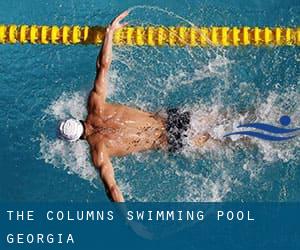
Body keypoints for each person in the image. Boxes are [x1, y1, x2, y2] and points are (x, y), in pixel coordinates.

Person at [58, 11, 210, 202]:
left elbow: (112, 189)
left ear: (76, 140)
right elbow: (103, 66)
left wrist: (131, 223)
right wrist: (109, 33)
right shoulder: (95, 105)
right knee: (226, 118)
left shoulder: (99, 152)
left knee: (228, 141)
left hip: (171, 140)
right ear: (76, 119)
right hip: (172, 118)